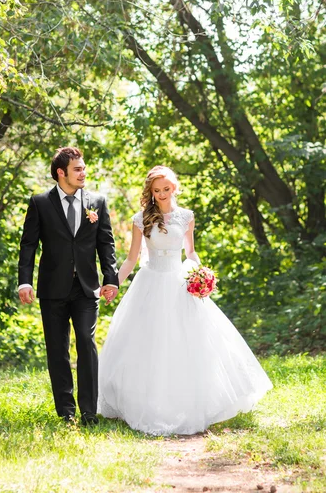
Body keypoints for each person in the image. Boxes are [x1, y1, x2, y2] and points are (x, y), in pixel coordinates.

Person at [98, 165, 272, 435]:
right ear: (151, 192)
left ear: (174, 187)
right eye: (157, 191)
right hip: (151, 283)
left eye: (166, 189)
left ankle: (192, 400)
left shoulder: (186, 217)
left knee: (188, 341)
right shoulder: (141, 218)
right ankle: (143, 402)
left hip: (179, 283)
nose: (162, 194)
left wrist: (200, 274)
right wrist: (114, 283)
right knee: (149, 343)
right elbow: (131, 258)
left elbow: (190, 252)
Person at [18, 146, 119, 425]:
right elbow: (28, 245)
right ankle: (66, 412)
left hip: (87, 288)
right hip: (52, 288)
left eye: (84, 168)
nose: (83, 172)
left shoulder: (97, 202)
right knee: (57, 348)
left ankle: (89, 411)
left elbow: (106, 244)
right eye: (78, 169)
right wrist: (24, 281)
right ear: (61, 173)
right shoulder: (39, 203)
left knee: (86, 343)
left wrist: (111, 279)